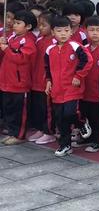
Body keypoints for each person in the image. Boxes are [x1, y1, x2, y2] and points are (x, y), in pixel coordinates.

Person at [45, 16, 93, 157]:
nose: (63, 34)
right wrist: (48, 81)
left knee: (69, 113)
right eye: (59, 31)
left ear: (71, 31)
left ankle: (82, 122)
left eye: (66, 30)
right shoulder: (50, 49)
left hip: (72, 87)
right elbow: (47, 67)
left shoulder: (75, 46)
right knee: (60, 118)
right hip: (57, 90)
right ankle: (65, 145)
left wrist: (78, 76)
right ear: (53, 32)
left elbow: (87, 60)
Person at [76, 16, 99, 152]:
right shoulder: (84, 48)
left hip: (98, 93)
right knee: (85, 116)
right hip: (84, 91)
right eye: (91, 30)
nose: (95, 33)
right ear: (85, 31)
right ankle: (86, 137)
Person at [0, 10, 37, 145]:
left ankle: (19, 135)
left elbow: (21, 58)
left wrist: (5, 49)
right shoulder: (12, 37)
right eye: (14, 22)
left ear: (28, 26)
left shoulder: (28, 41)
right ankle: (11, 132)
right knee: (9, 109)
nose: (14, 25)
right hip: (8, 80)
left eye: (18, 23)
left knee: (19, 111)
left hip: (20, 82)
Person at [28, 10, 56, 145]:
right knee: (38, 106)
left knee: (47, 108)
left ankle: (48, 131)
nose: (40, 28)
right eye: (39, 25)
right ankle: (39, 128)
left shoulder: (55, 41)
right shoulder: (39, 39)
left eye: (44, 25)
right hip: (36, 78)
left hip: (46, 80)